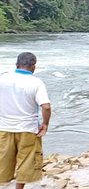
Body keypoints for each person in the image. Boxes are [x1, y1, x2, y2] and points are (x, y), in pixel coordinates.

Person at [0, 52, 52, 189]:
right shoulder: (36, 82)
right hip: (28, 129)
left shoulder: (3, 78)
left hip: (4, 127)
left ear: (16, 65)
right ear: (34, 67)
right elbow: (46, 107)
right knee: (26, 162)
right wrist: (45, 124)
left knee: (2, 162)